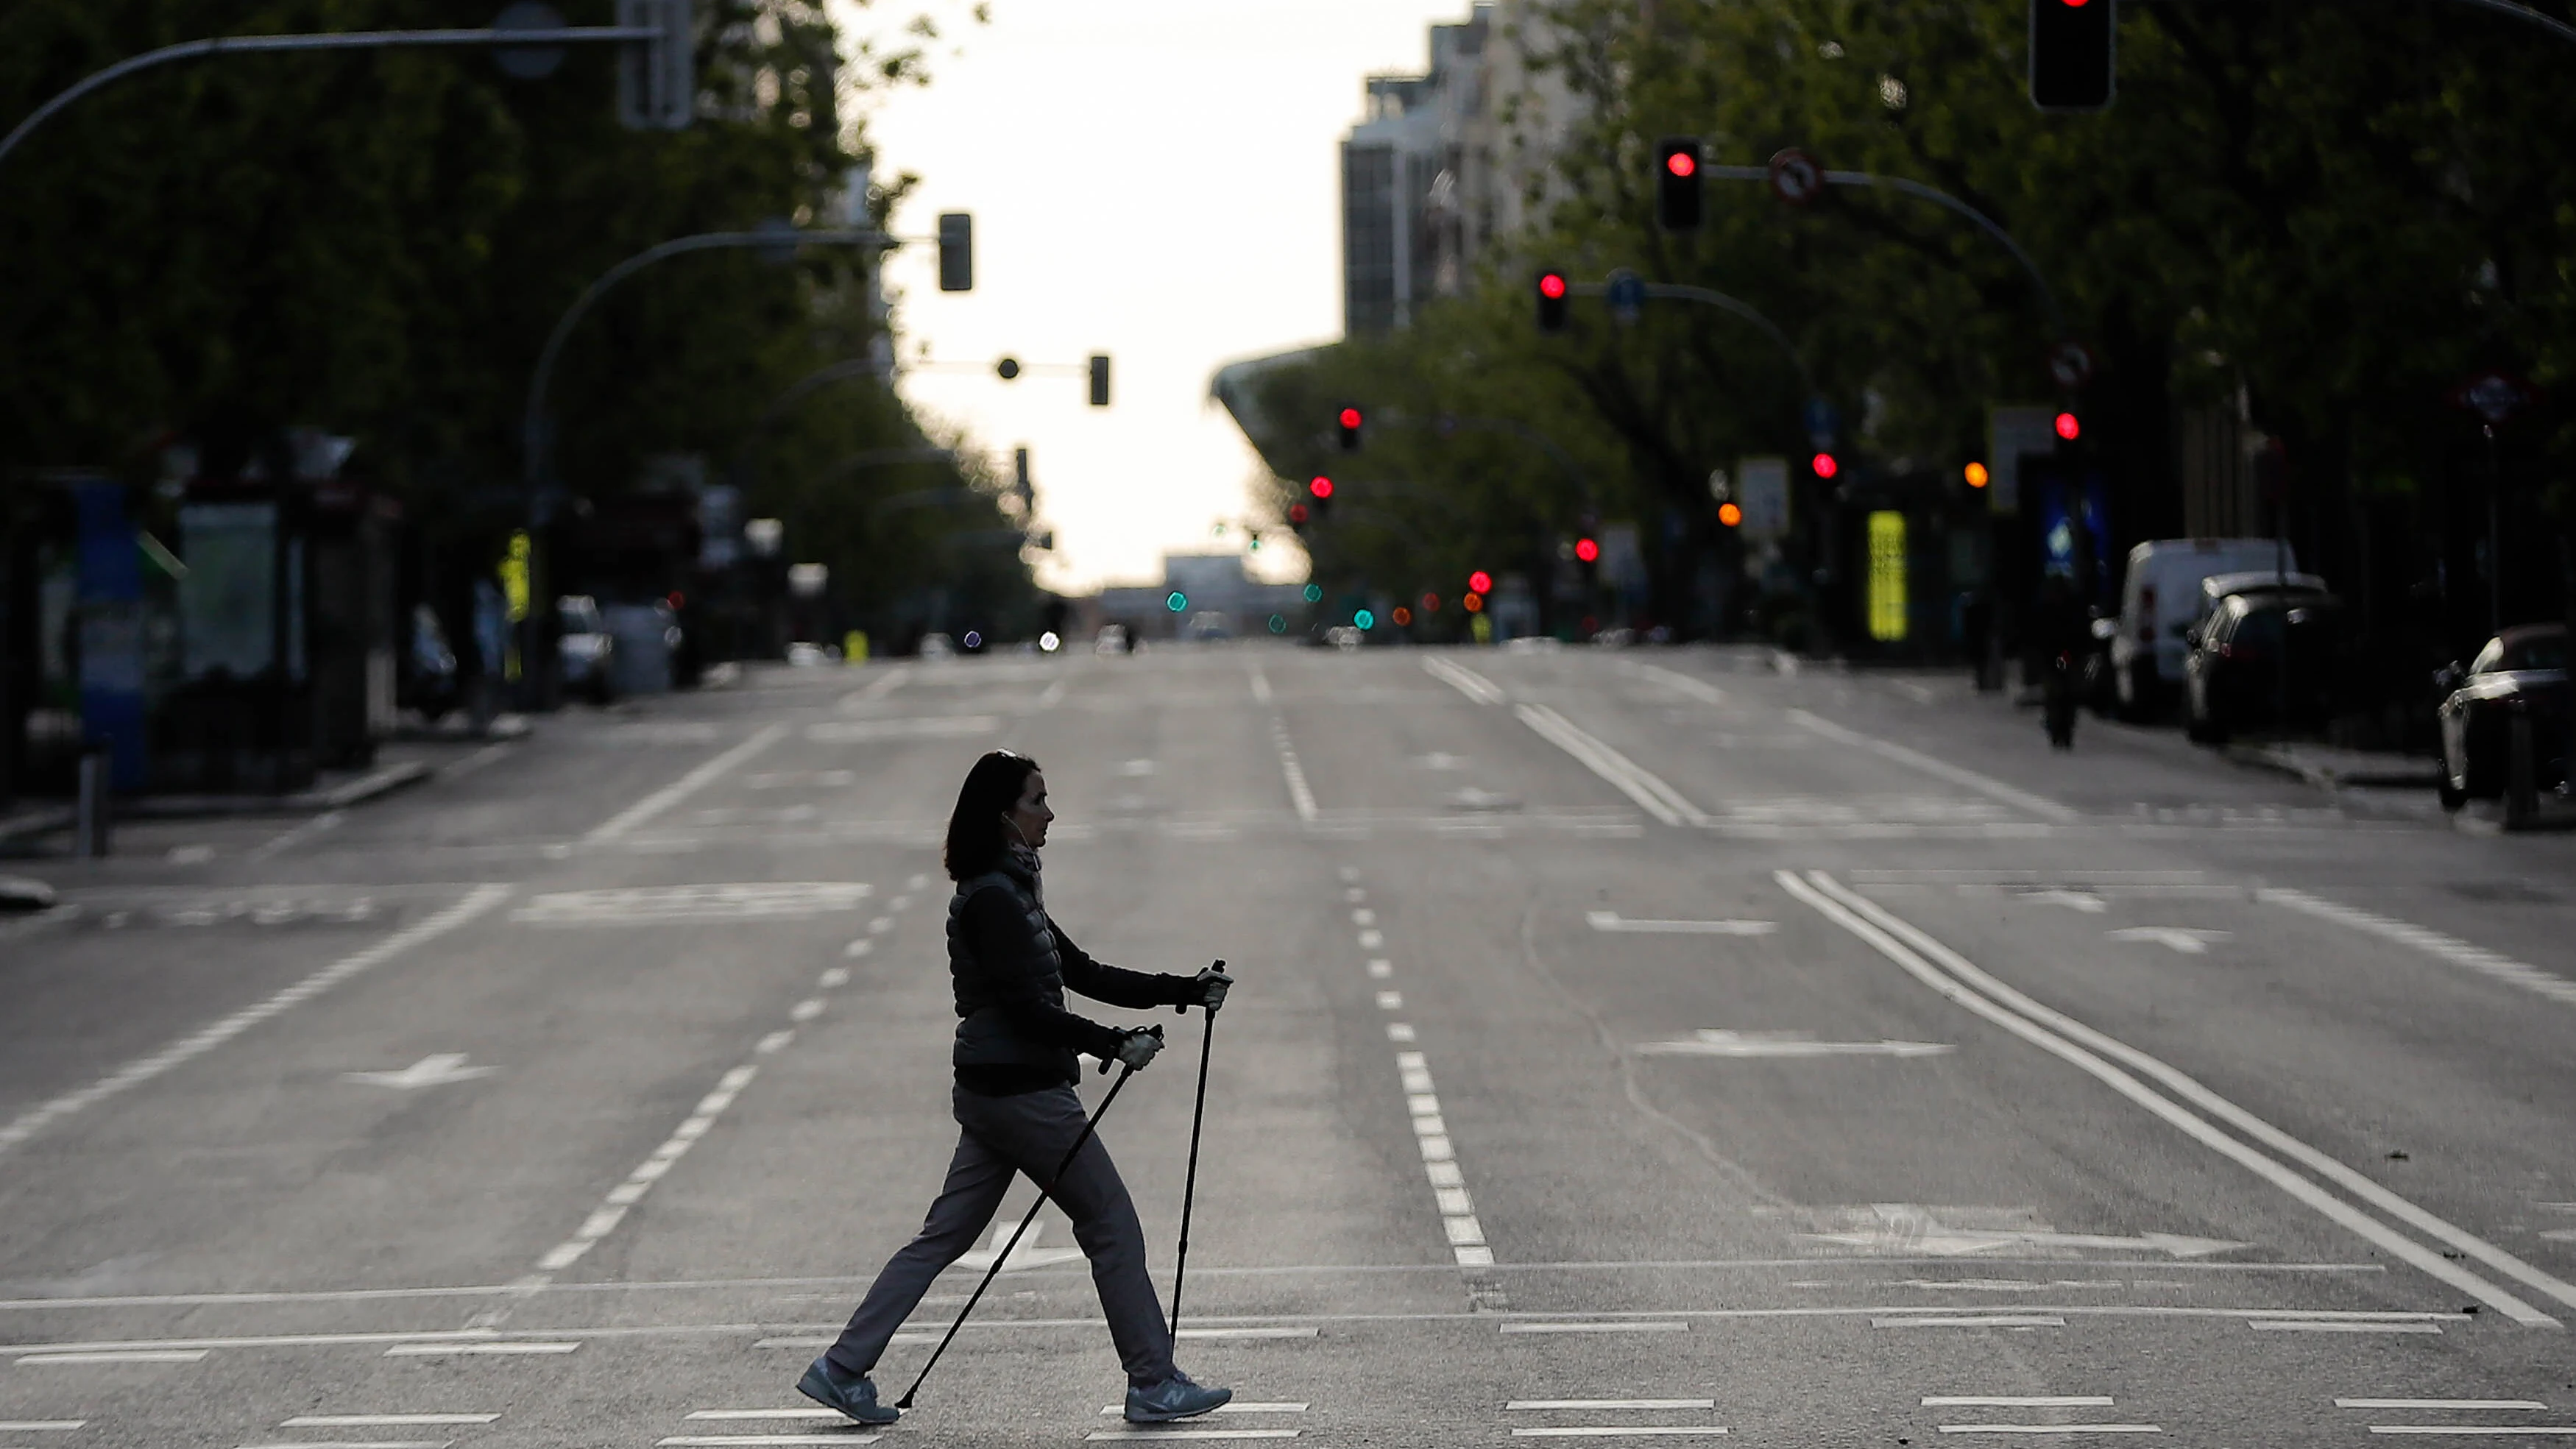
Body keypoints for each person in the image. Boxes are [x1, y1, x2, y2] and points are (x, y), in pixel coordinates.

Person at [798, 749, 1236, 1427]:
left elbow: (1082, 970)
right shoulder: (994, 901)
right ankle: (1152, 1380)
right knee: (1111, 1223)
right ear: (1005, 815)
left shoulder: (1009, 890)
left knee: (943, 1236)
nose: (1050, 812)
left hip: (993, 1090)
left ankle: (842, 1367)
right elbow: (1027, 1010)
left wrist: (1183, 990)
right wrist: (1114, 1043)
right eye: (1038, 800)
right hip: (1023, 1093)